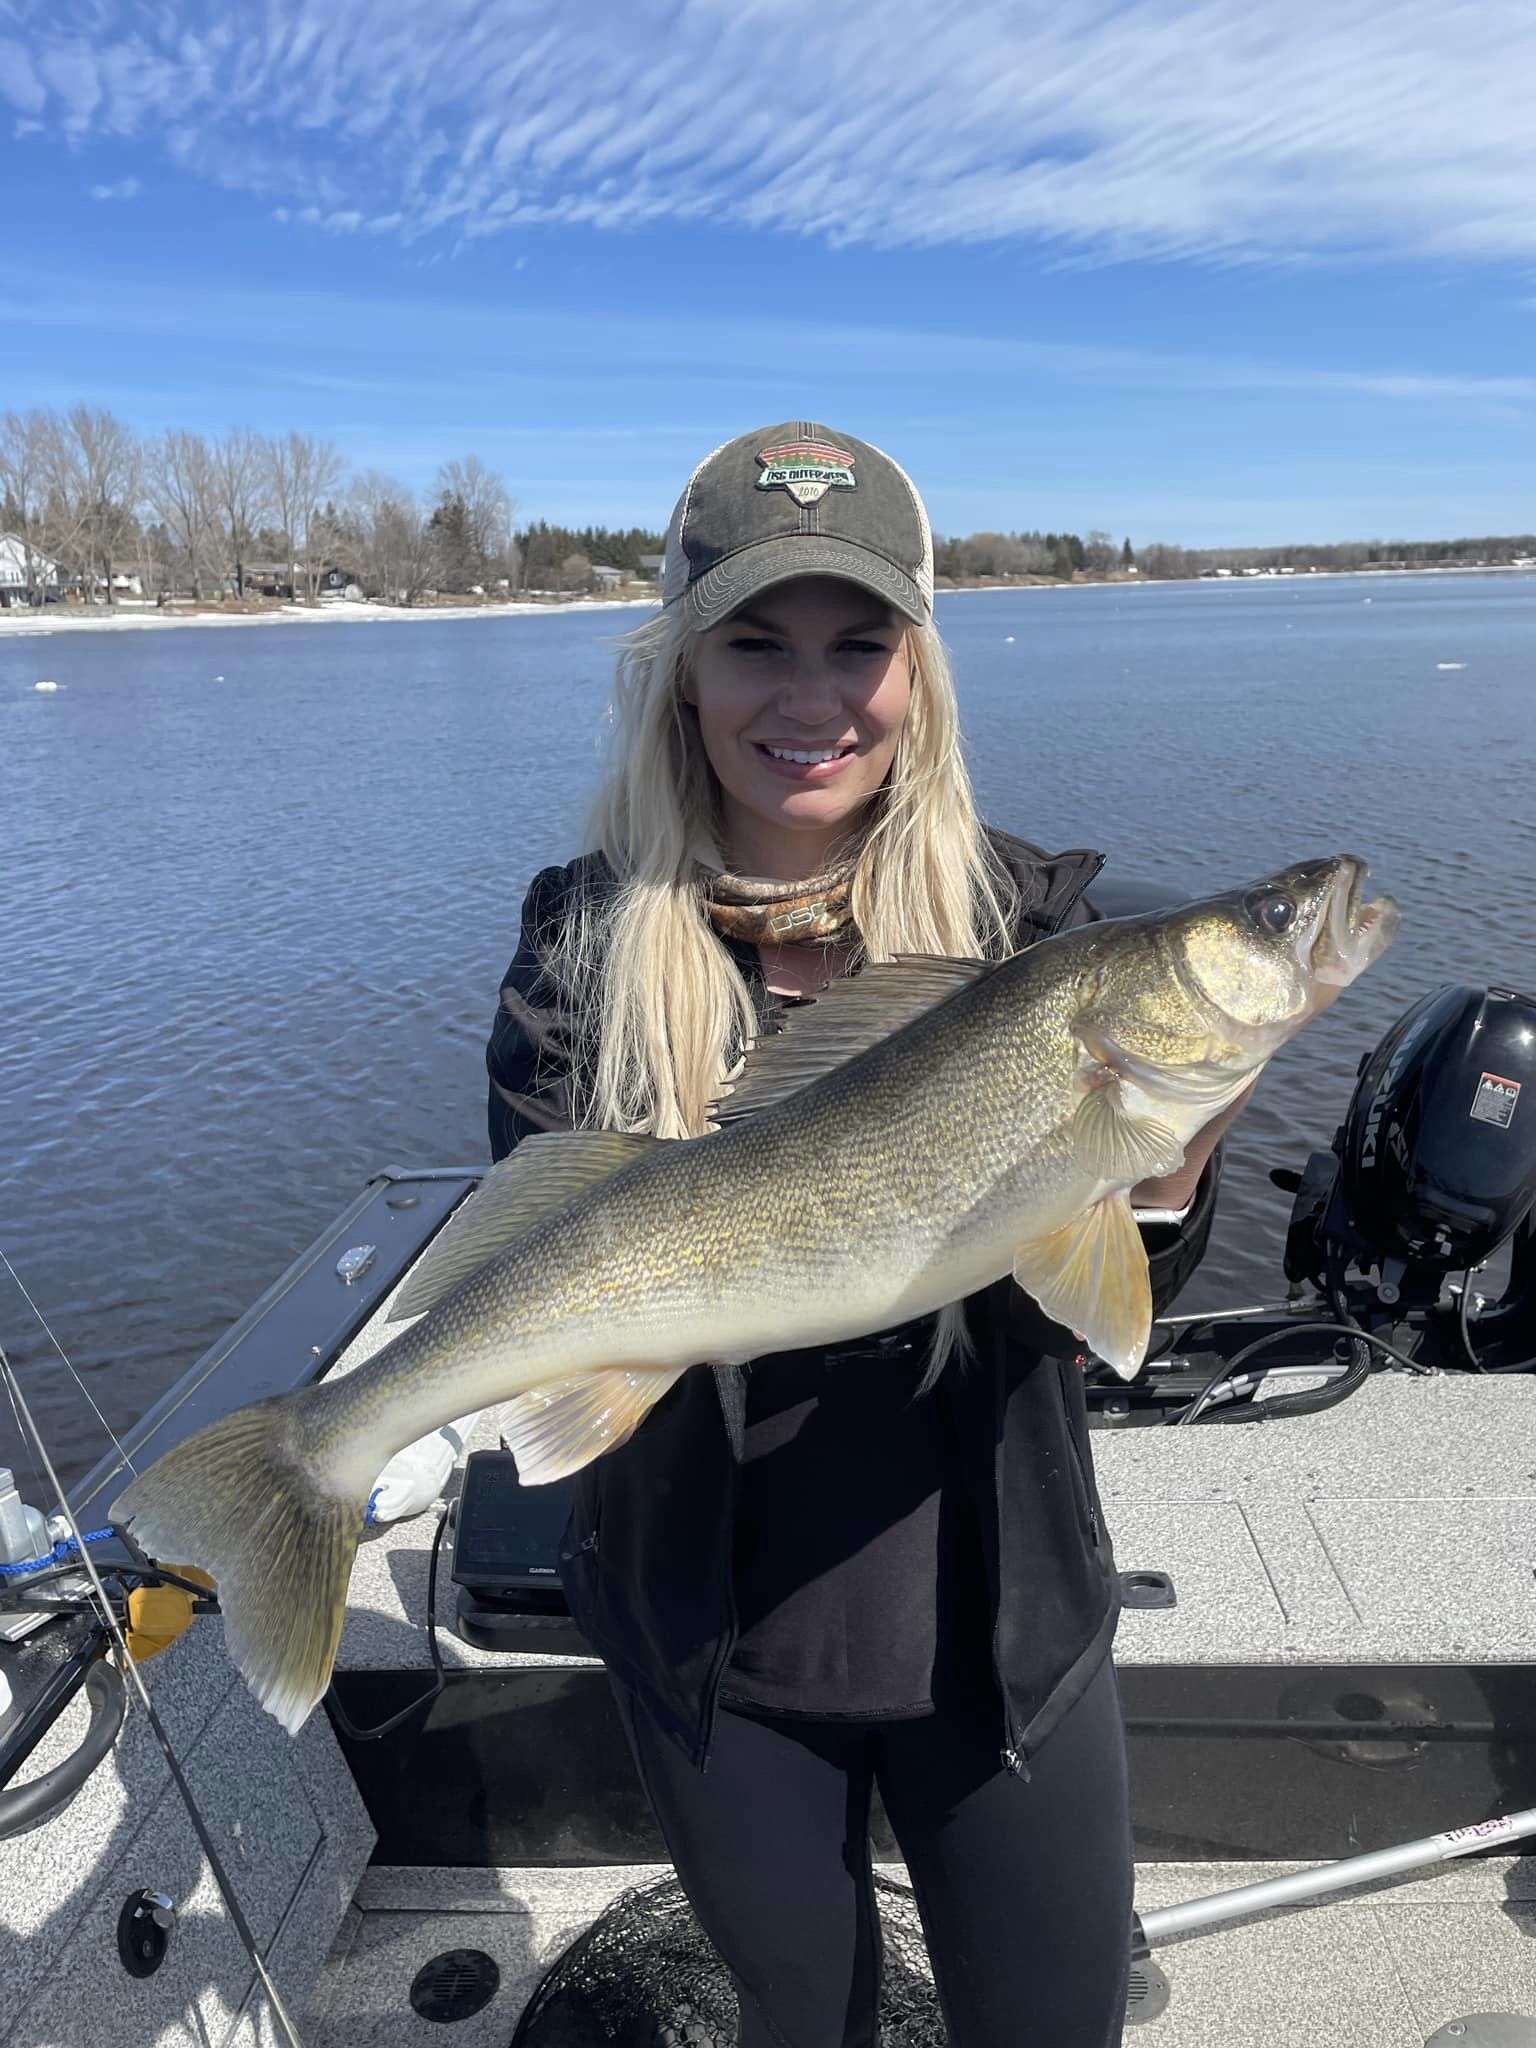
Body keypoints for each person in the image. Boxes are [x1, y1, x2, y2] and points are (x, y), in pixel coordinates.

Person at [486, 424, 1241, 2048]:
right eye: (755, 643)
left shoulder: (1035, 935)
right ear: (681, 672)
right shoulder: (577, 956)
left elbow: (1109, 1311)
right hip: (720, 1653)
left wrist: (1166, 1181)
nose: (810, 697)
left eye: (859, 644)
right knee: (805, 2021)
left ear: (922, 671)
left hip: (998, 1629)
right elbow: (544, 1267)